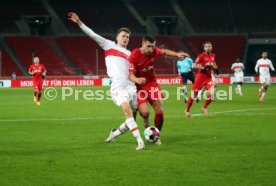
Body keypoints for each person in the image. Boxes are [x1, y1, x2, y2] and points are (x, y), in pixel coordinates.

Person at [68, 12, 145, 150]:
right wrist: (79, 22)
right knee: (127, 110)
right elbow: (92, 34)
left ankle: (114, 134)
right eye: (123, 36)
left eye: (128, 37)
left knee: (132, 116)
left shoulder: (130, 54)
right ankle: (140, 141)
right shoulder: (109, 45)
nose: (126, 38)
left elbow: (135, 71)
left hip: (131, 87)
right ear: (117, 38)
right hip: (118, 87)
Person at [129, 35, 189, 145]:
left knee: (159, 110)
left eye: (153, 46)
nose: (151, 49)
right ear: (142, 44)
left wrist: (177, 54)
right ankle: (145, 120)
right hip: (138, 87)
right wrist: (137, 79)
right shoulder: (134, 55)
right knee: (145, 112)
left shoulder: (154, 51)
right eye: (148, 46)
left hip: (152, 84)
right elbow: (130, 75)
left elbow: (164, 52)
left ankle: (156, 135)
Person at [185, 41, 218, 118]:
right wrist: (203, 67)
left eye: (209, 46)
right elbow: (193, 65)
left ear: (211, 47)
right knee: (194, 95)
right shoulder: (201, 56)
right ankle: (187, 110)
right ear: (204, 48)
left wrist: (216, 68)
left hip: (208, 78)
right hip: (200, 77)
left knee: (213, 93)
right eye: (206, 46)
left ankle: (204, 107)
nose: (208, 48)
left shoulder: (213, 55)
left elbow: (213, 62)